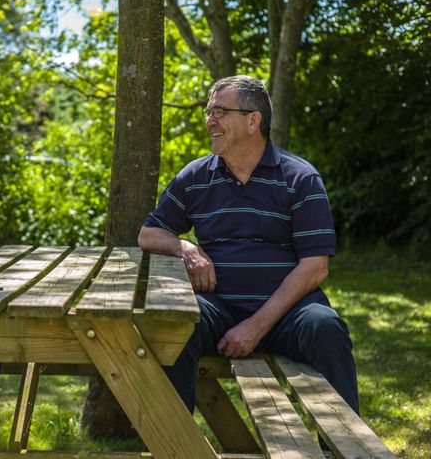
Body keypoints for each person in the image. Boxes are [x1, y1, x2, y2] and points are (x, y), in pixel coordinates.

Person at [138, 75, 359, 415]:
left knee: (326, 328)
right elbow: (149, 233)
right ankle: (175, 446)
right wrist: (186, 248)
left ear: (253, 120)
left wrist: (255, 327)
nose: (210, 121)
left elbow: (315, 266)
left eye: (220, 111)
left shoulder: (300, 178)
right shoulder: (196, 177)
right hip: (219, 308)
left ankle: (346, 450)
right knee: (175, 327)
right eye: (208, 112)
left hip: (289, 313)